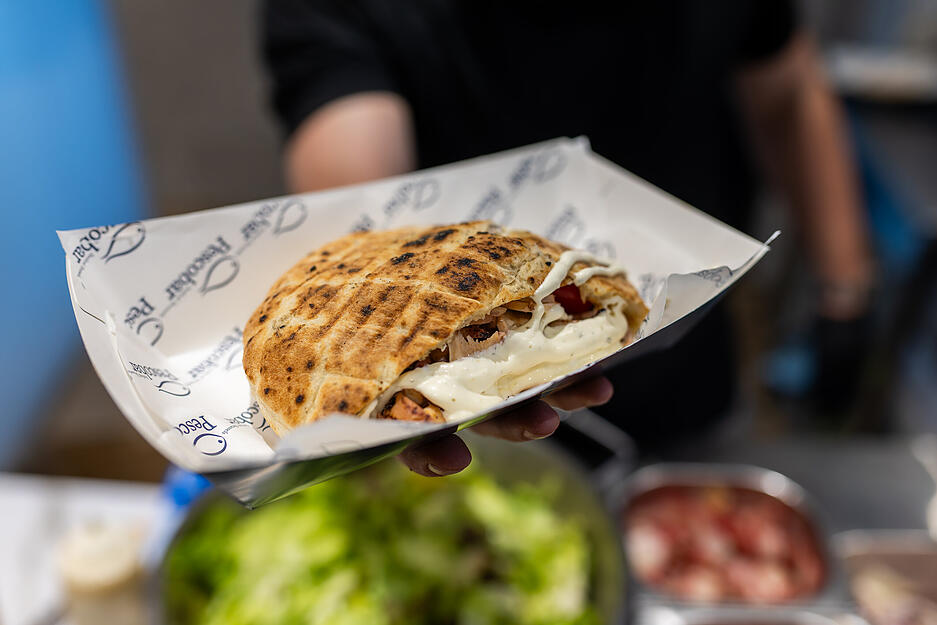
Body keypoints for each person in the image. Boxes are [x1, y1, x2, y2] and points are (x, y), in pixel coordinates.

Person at [261, 0, 873, 475]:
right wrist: (372, 362)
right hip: (467, 453)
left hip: (687, 351)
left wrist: (844, 289)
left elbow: (788, 90)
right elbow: (356, 168)